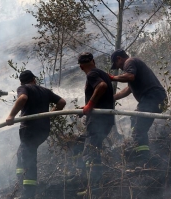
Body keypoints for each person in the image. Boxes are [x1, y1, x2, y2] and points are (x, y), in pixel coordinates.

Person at [6, 70, 66, 199]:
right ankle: (21, 184)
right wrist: (49, 115)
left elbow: (22, 98)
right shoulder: (45, 90)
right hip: (43, 130)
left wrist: (11, 115)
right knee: (21, 153)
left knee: (29, 160)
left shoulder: (23, 88)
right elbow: (62, 102)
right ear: (34, 79)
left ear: (21, 82)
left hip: (29, 130)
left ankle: (28, 194)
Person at [109, 49, 166, 168]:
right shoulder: (133, 66)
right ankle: (142, 153)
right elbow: (128, 89)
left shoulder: (129, 62)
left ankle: (144, 159)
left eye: (117, 64)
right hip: (154, 98)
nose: (119, 68)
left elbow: (130, 76)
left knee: (138, 129)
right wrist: (111, 98)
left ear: (119, 58)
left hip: (152, 96)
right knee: (135, 120)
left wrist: (112, 78)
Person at [77, 52, 114, 196]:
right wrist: (86, 107)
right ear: (93, 61)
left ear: (81, 67)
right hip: (105, 119)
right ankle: (96, 187)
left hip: (98, 121)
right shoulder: (102, 73)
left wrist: (89, 105)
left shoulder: (92, 75)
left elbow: (102, 86)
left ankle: (94, 190)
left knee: (90, 153)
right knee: (95, 151)